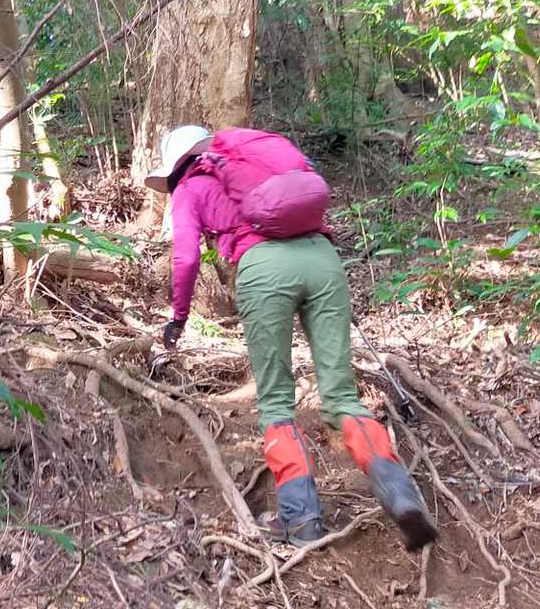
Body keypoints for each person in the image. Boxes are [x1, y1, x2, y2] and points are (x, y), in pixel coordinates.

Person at [146, 124, 438, 551]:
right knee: (342, 397)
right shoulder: (254, 160)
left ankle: (300, 518)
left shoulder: (189, 188)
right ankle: (399, 493)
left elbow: (187, 257)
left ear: (174, 166)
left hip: (263, 269)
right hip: (322, 259)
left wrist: (179, 316)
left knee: (276, 403)